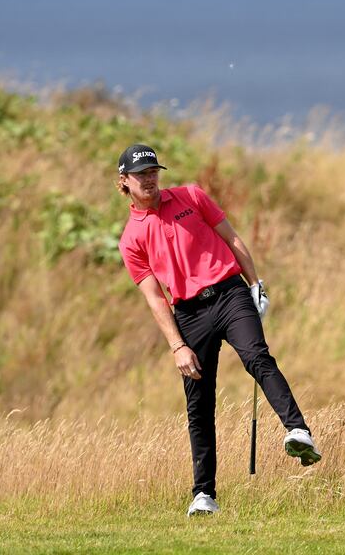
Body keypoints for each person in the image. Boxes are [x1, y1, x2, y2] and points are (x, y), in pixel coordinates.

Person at [115, 143, 320, 516]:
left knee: (256, 356)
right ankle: (204, 494)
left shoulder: (191, 196)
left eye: (153, 172)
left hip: (229, 293)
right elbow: (155, 298)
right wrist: (177, 345)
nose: (149, 180)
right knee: (199, 403)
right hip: (189, 314)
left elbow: (232, 239)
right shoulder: (131, 240)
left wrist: (255, 285)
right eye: (141, 175)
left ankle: (298, 431)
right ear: (124, 182)